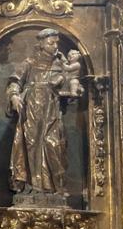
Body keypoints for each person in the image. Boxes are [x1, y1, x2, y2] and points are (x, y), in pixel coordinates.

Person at [6, 28, 74, 196]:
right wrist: (14, 96)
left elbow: (71, 86)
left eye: (56, 42)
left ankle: (56, 187)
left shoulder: (61, 64)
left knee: (54, 144)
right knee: (31, 144)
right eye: (51, 43)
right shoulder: (30, 63)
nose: (55, 46)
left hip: (52, 111)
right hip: (32, 110)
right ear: (41, 44)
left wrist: (66, 85)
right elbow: (15, 82)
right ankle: (33, 186)